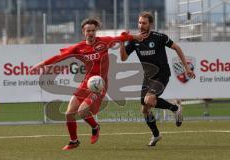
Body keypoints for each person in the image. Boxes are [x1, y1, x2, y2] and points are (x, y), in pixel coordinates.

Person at [30, 18, 144, 150]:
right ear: (83, 32)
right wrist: (42, 64)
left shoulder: (104, 42)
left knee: (83, 111)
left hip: (99, 85)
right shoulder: (79, 47)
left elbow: (119, 38)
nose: (91, 33)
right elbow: (59, 57)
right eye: (88, 31)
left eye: (93, 30)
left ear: (96, 31)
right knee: (69, 113)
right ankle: (74, 141)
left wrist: (134, 36)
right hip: (86, 83)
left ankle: (95, 127)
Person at [120, 11, 195, 146]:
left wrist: (187, 68)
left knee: (149, 100)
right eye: (139, 22)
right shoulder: (134, 40)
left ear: (150, 24)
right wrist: (121, 43)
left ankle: (175, 108)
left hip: (162, 74)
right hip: (148, 77)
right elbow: (123, 58)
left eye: (144, 23)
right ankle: (156, 135)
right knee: (144, 109)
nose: (141, 25)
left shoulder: (159, 37)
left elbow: (176, 47)